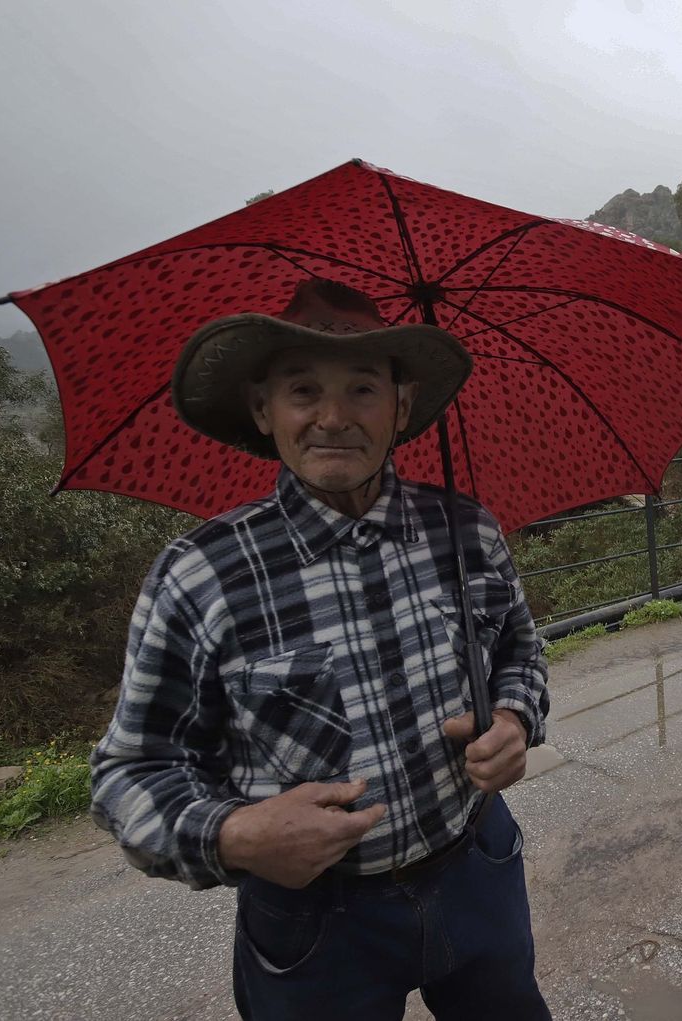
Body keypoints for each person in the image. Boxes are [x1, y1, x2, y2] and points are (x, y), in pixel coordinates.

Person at [89, 278, 554, 1020]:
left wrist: (513, 718)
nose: (333, 417)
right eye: (303, 390)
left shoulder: (467, 530)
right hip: (315, 923)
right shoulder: (201, 574)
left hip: (478, 865)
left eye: (362, 389)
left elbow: (521, 653)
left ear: (401, 408)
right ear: (261, 408)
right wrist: (236, 832)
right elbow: (129, 771)